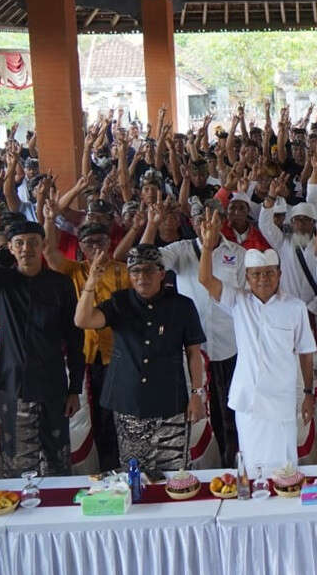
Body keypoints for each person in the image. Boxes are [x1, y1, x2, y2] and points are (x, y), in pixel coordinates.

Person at [0, 217, 83, 478]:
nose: (26, 248)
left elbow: (75, 339)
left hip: (53, 384)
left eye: (32, 243)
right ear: (12, 249)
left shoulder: (60, 284)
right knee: (17, 457)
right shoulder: (0, 281)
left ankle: (59, 505)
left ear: (43, 246)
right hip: (13, 383)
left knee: (57, 456)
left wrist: (75, 389)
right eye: (19, 243)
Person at [197, 214, 316, 475]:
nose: (263, 279)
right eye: (256, 274)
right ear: (247, 278)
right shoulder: (239, 302)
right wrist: (207, 248)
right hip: (248, 399)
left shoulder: (295, 307)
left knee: (285, 467)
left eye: (269, 273)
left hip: (283, 399)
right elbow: (206, 280)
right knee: (252, 464)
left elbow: (306, 353)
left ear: (279, 274)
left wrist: (308, 394)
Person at [76, 246, 208, 478]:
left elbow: (193, 353)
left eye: (148, 271)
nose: (141, 277)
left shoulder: (182, 305)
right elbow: (83, 319)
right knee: (134, 474)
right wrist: (91, 282)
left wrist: (197, 394)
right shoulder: (119, 302)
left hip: (171, 402)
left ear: (161, 273)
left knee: (175, 474)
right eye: (135, 271)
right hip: (129, 403)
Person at [141, 198, 245, 469]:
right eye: (200, 219)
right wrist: (152, 225)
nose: (206, 224)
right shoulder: (181, 250)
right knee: (199, 415)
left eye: (212, 218)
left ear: (222, 221)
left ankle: (234, 464)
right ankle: (207, 469)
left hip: (230, 345)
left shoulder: (239, 253)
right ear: (193, 222)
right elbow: (146, 258)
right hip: (192, 349)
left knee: (231, 411)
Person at [42, 211, 138, 472]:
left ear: (109, 243)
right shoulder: (75, 270)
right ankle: (96, 465)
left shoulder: (124, 271)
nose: (95, 247)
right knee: (90, 415)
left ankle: (120, 463)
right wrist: (49, 220)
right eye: (89, 242)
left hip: (117, 354)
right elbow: (49, 252)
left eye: (100, 241)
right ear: (81, 246)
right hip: (84, 355)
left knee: (115, 412)